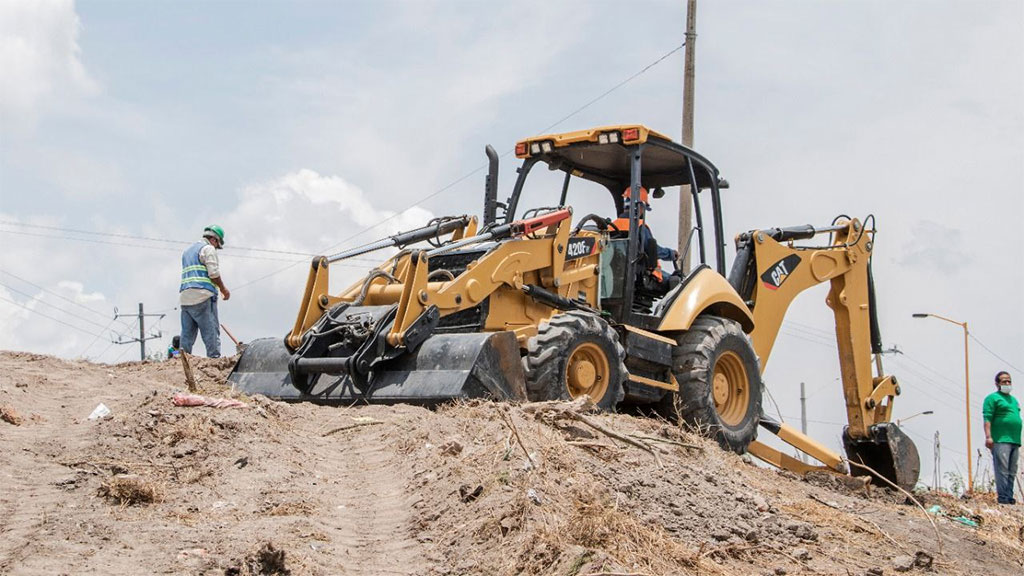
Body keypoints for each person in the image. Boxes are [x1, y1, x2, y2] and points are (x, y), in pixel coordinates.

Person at [611, 186, 680, 295]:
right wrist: (671, 254)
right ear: (640, 206)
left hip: (615, 277)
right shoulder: (639, 226)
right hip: (639, 276)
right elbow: (652, 249)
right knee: (677, 282)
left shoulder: (612, 226)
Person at [179, 225, 230, 358]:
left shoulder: (187, 251)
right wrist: (224, 289)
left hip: (185, 297)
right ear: (214, 239)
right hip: (203, 296)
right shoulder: (208, 249)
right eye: (217, 244)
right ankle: (214, 361)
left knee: (186, 335)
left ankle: (182, 360)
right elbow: (213, 274)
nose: (216, 248)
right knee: (211, 332)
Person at [983, 370, 1021, 505]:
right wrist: (988, 436)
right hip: (1000, 439)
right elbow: (987, 417)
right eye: (1004, 381)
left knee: (1012, 470)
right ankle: (1003, 497)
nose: (1007, 383)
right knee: (1002, 469)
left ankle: (1009, 496)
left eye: (1009, 381)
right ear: (997, 383)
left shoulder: (1013, 400)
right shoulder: (992, 398)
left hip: (1014, 439)